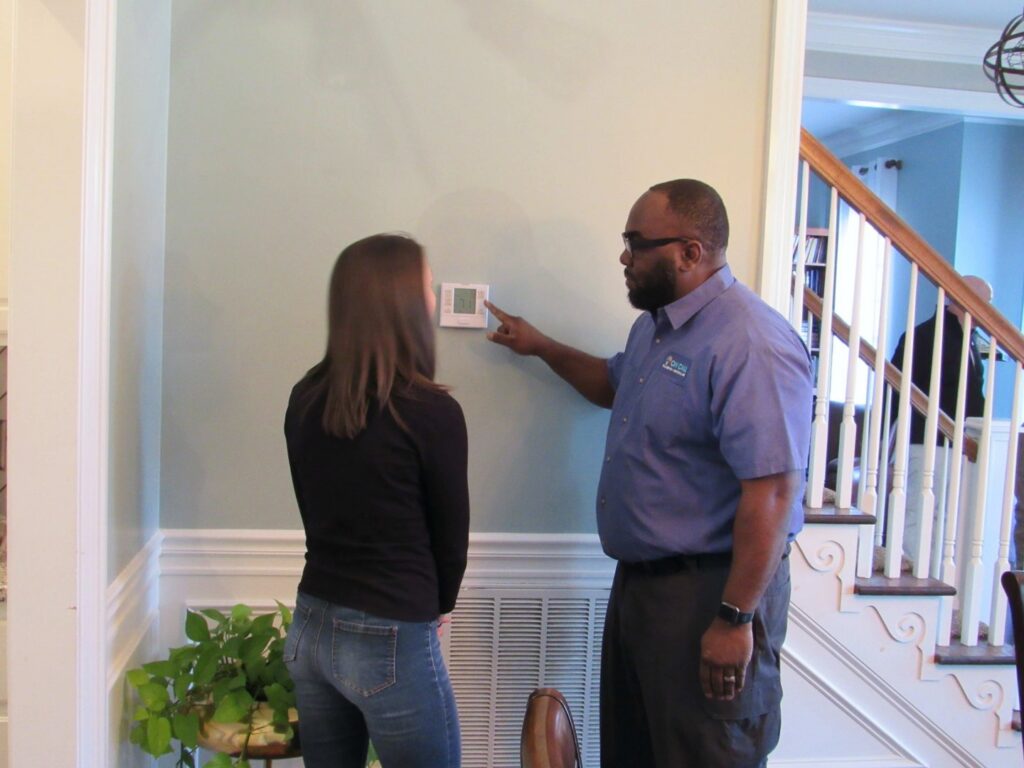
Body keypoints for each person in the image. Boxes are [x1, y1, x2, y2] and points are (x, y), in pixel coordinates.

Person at [486, 180, 813, 768]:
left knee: (706, 755)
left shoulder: (751, 342)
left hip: (711, 593)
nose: (624, 257)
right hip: (642, 589)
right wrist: (540, 346)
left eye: (637, 243)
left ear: (690, 252)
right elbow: (612, 385)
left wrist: (735, 618)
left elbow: (773, 492)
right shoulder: (655, 329)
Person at [283, 233, 469, 768]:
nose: (433, 297)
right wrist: (440, 604)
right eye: (428, 286)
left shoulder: (305, 396)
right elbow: (450, 537)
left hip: (311, 624)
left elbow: (311, 511)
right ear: (403, 303)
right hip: (391, 630)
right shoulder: (431, 412)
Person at [890, 276, 990, 564]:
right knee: (919, 514)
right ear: (963, 299)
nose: (989, 312)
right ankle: (912, 572)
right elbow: (898, 389)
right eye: (985, 303)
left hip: (957, 444)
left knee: (945, 518)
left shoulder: (968, 339)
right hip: (926, 441)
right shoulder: (925, 336)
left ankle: (933, 574)